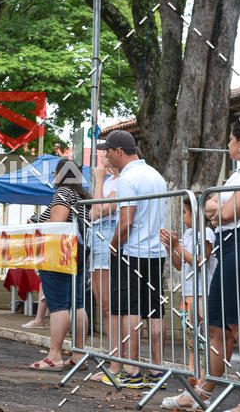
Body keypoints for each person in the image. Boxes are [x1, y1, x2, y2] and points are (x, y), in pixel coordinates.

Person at [163, 115, 240, 412]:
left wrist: (218, 209)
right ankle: (202, 393)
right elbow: (210, 208)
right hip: (227, 246)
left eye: (230, 140)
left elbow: (224, 211)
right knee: (216, 326)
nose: (228, 145)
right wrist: (217, 210)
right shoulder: (237, 174)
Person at [99, 130, 167, 389]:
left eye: (108, 152)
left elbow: (126, 221)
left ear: (119, 151)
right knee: (155, 311)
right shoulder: (155, 175)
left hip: (133, 251)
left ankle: (133, 370)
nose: (107, 157)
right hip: (156, 252)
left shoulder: (128, 178)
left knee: (130, 310)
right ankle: (157, 370)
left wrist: (113, 245)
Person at [28, 159, 90, 370]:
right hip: (77, 251)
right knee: (77, 303)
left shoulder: (62, 193)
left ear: (61, 174)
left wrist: (37, 224)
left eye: (55, 172)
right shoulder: (81, 195)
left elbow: (58, 222)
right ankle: (79, 354)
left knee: (58, 304)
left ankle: (54, 355)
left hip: (58, 252)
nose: (52, 175)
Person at [160, 197, 216, 381]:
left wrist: (177, 246)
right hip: (188, 292)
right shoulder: (188, 233)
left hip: (202, 293)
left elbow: (200, 262)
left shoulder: (207, 233)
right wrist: (171, 248)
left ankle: (203, 375)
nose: (183, 217)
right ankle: (195, 373)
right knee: (191, 336)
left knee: (202, 336)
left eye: (185, 212)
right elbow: (179, 264)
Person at [88, 153, 121, 381]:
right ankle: (114, 360)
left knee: (110, 306)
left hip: (108, 237)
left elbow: (99, 209)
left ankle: (117, 363)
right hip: (99, 238)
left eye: (107, 155)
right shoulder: (110, 182)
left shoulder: (120, 181)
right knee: (104, 306)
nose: (103, 161)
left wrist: (99, 181)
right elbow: (93, 211)